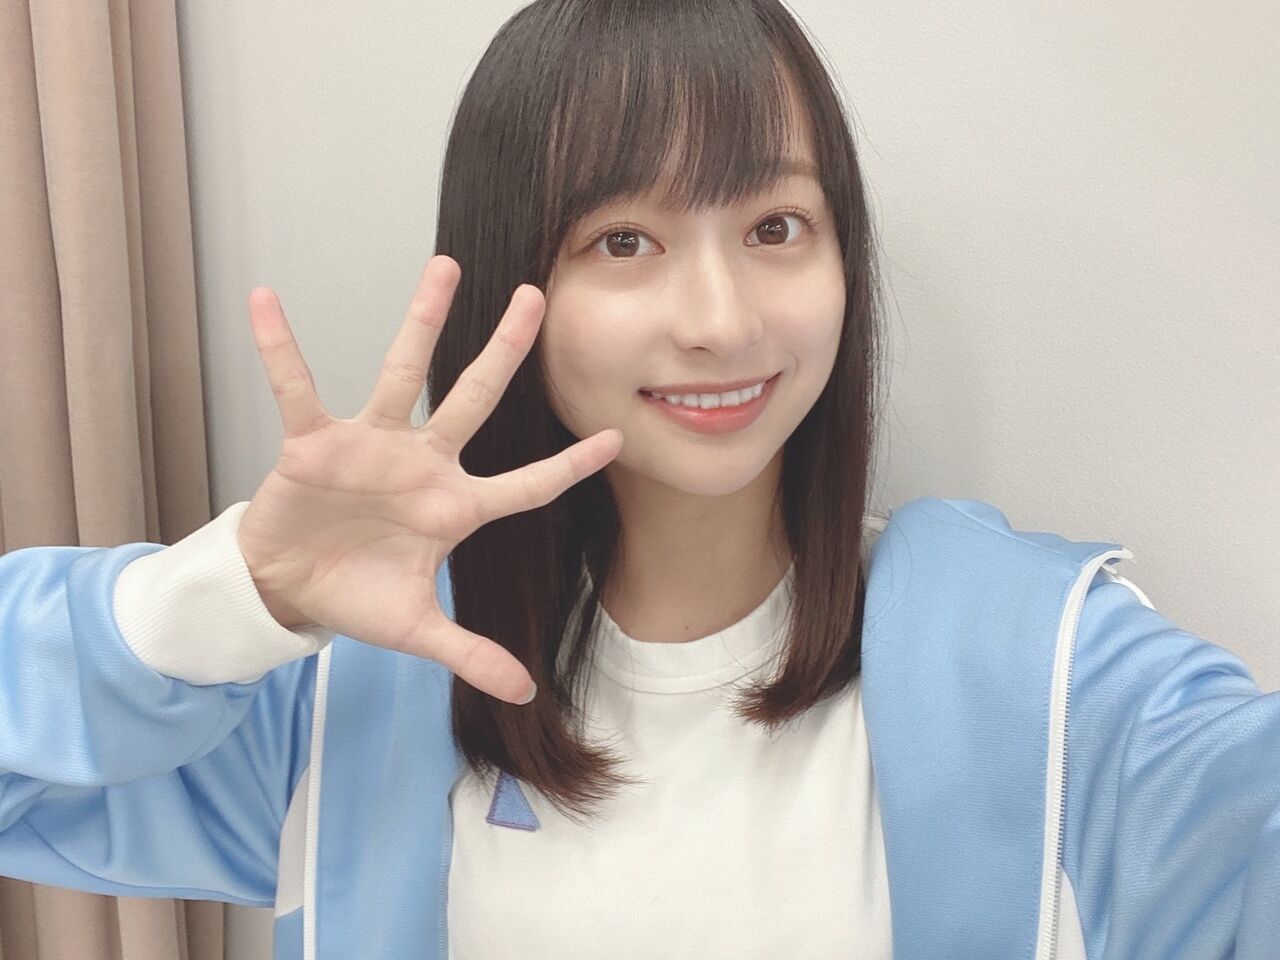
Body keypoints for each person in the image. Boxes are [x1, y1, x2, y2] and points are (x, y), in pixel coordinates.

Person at [3, 0, 1278, 958]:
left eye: (774, 227)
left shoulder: (1047, 674)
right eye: (624, 240)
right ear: (514, 282)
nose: (720, 320)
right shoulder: (365, 686)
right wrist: (242, 594)